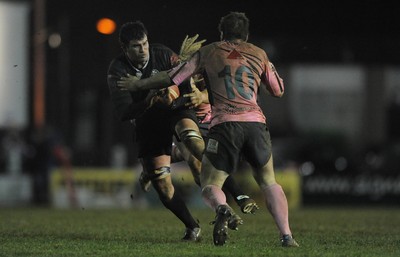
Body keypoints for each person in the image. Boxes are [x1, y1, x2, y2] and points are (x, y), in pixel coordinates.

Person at [116, 12, 299, 247]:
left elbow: (173, 77)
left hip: (224, 125)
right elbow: (277, 90)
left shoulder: (209, 52)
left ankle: (222, 207)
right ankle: (286, 235)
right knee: (269, 181)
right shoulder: (259, 53)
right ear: (246, 34)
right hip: (255, 123)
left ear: (222, 33)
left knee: (209, 183)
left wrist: (139, 84)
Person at [107, 21, 204, 241]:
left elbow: (185, 78)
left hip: (175, 112)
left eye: (144, 44)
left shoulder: (163, 54)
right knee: (162, 185)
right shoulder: (118, 70)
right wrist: (150, 100)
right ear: (124, 48)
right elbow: (124, 112)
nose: (142, 50)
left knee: (193, 146)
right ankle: (192, 226)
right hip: (146, 122)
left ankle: (227, 205)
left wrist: (194, 93)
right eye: (135, 46)